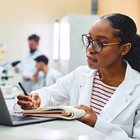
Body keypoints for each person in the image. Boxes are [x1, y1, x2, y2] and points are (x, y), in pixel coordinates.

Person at [17, 13, 140, 139]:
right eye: (89, 40)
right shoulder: (81, 74)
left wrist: (96, 123)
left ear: (124, 49)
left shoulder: (137, 89)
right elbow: (50, 94)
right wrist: (36, 100)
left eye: (100, 43)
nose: (89, 49)